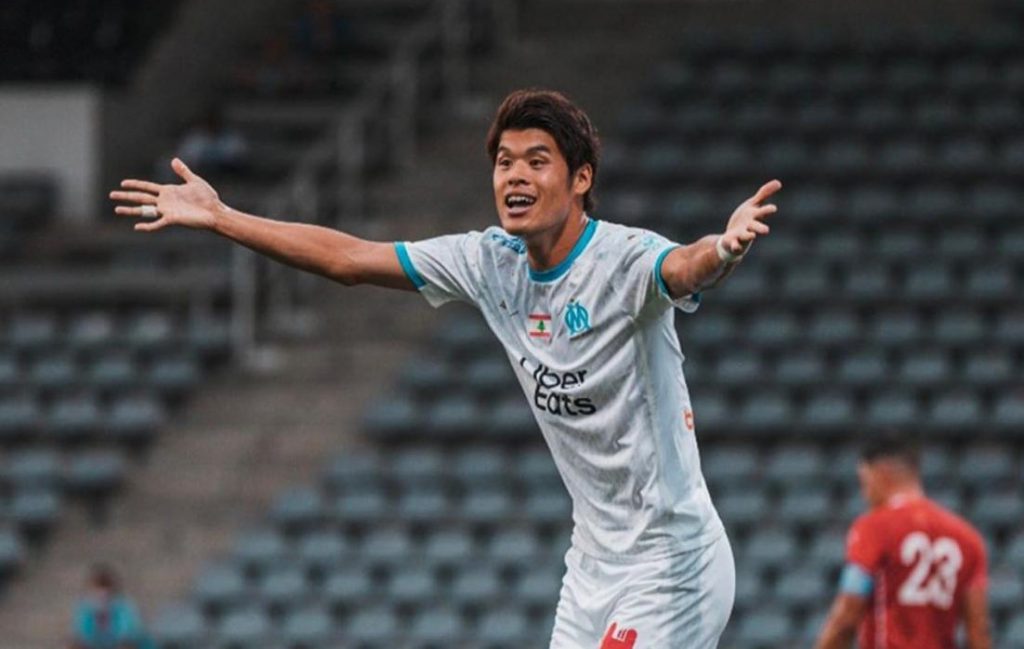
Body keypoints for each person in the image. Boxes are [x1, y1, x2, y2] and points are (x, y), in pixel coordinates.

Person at [110, 89, 781, 648]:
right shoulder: (490, 262)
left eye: (536, 161)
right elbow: (349, 259)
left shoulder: (625, 260)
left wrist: (722, 249)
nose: (514, 176)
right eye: (503, 162)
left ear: (581, 180)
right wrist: (224, 217)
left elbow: (683, 265)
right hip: (592, 566)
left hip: (672, 561)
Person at [813, 434, 991, 649]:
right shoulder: (968, 538)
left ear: (882, 474)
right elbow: (978, 631)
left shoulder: (875, 527)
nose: (865, 494)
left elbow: (847, 616)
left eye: (865, 483)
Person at [70, 564, 149, 649]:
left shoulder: (124, 607)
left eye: (106, 595)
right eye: (98, 595)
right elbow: (81, 635)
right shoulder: (84, 609)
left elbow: (130, 634)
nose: (102, 600)